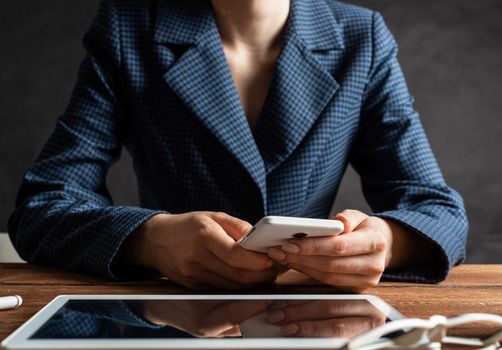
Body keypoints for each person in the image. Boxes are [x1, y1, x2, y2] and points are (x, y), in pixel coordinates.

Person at [8, 0, 468, 292]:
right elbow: (42, 208)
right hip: (173, 322)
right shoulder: (129, 27)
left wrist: (387, 243)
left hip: (309, 323)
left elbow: (438, 212)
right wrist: (149, 240)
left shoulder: (360, 37)